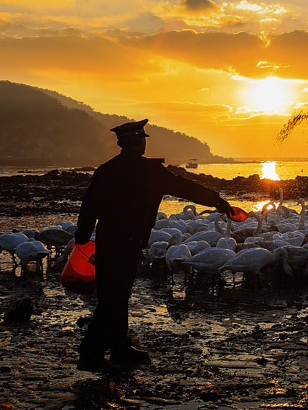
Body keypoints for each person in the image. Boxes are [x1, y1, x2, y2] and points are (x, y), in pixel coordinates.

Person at [73, 119, 234, 373]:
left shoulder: (105, 170)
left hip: (107, 241)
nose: (145, 143)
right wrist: (218, 202)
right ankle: (90, 355)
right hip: (128, 243)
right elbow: (185, 187)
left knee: (114, 295)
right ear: (138, 141)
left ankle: (119, 348)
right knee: (114, 299)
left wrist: (81, 236)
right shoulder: (150, 171)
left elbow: (89, 204)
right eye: (144, 139)